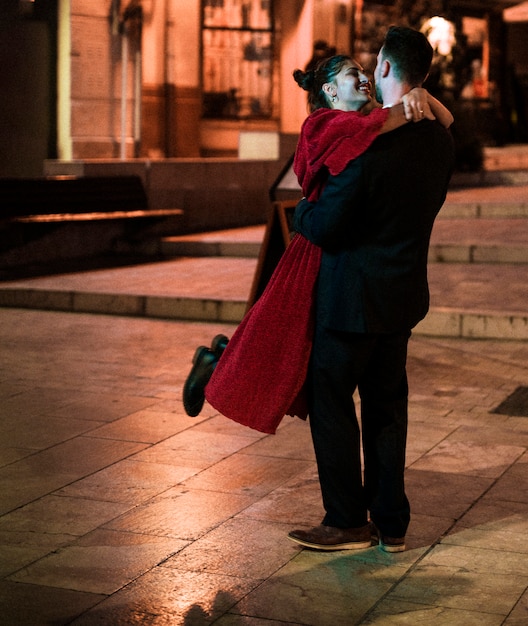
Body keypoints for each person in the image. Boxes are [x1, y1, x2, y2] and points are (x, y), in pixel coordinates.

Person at [182, 51, 453, 434]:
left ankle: (221, 359)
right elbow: (386, 123)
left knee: (285, 341)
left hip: (328, 254)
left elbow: (441, 120)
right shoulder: (325, 124)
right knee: (287, 343)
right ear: (328, 91)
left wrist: (421, 97)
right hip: (314, 250)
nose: (363, 78)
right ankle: (219, 364)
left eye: (363, 71)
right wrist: (417, 100)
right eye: (350, 74)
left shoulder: (359, 124)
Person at [287, 26, 455, 553]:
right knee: (387, 408)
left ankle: (345, 520)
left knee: (331, 400)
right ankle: (392, 523)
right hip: (401, 299)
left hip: (349, 301)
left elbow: (327, 224)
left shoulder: (363, 147)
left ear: (383, 70)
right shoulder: (439, 139)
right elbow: (442, 117)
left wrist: (301, 211)